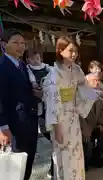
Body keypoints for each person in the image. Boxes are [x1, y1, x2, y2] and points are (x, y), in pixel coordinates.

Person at [42, 36, 87, 180]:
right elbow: (52, 102)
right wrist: (57, 126)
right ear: (60, 51)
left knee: (77, 154)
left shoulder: (76, 69)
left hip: (73, 117)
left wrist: (99, 92)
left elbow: (84, 87)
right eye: (70, 51)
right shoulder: (54, 75)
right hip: (60, 119)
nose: (74, 54)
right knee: (64, 154)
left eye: (76, 51)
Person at [0, 29, 39, 180]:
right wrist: (3, 128)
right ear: (4, 44)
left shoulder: (23, 65)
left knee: (27, 162)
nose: (20, 46)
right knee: (15, 166)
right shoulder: (2, 67)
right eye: (15, 42)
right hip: (13, 124)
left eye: (22, 43)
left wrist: (36, 93)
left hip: (29, 121)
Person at [25, 48, 54, 178]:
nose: (36, 61)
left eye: (37, 58)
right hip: (37, 96)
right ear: (28, 59)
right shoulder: (28, 69)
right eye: (33, 59)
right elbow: (31, 80)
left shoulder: (46, 67)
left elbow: (52, 71)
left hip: (47, 95)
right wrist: (34, 85)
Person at [81, 72, 103, 171]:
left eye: (98, 80)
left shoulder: (100, 93)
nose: (97, 82)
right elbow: (80, 115)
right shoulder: (82, 95)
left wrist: (100, 124)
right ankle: (85, 163)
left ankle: (95, 157)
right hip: (84, 124)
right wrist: (85, 129)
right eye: (94, 80)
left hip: (95, 123)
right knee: (87, 141)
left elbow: (101, 111)